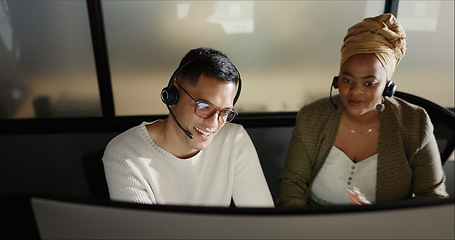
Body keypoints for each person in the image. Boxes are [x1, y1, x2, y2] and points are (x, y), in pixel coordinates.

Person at [278, 14, 448, 206]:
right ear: (337, 80)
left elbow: (432, 197)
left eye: (369, 83)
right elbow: (293, 183)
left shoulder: (415, 123)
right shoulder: (312, 117)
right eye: (347, 80)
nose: (355, 91)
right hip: (314, 222)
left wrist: (375, 222)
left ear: (387, 87)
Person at [102, 47, 274, 207]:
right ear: (173, 95)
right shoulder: (124, 154)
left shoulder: (234, 140)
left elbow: (264, 224)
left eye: (225, 112)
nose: (213, 124)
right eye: (204, 107)